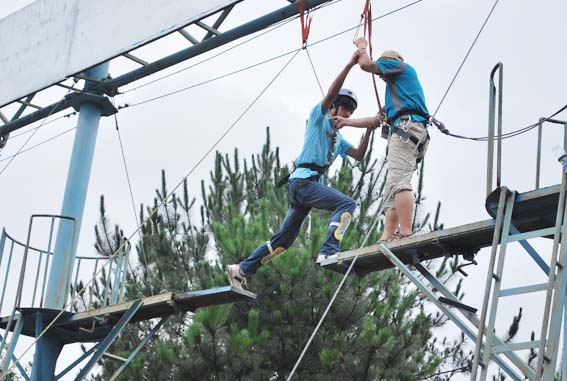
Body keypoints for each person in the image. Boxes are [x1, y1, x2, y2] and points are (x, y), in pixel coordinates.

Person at [227, 51, 375, 289]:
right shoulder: (319, 119)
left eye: (351, 111)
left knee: (284, 241)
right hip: (303, 183)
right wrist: (348, 65)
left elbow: (359, 155)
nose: (347, 114)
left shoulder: (338, 140)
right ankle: (329, 250)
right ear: (334, 107)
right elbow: (329, 94)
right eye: (344, 107)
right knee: (347, 204)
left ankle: (242, 269)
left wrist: (369, 128)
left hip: (303, 189)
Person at [334, 38, 430, 242]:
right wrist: (345, 122)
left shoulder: (398, 66)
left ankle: (404, 231)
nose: (381, 77)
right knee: (391, 186)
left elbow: (365, 64)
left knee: (399, 181)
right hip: (410, 131)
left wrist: (362, 46)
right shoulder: (398, 95)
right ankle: (387, 235)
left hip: (407, 129)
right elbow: (373, 121)